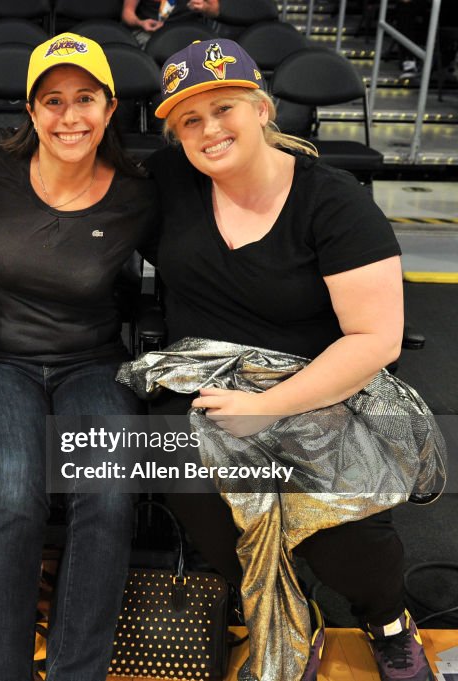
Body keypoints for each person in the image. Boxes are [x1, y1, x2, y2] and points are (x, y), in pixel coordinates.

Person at [144, 39, 430, 681]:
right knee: (190, 486)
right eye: (190, 120)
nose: (209, 129)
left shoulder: (333, 203)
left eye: (224, 108)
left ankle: (387, 620)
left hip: (316, 381)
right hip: (206, 383)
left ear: (262, 108)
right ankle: (289, 616)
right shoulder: (171, 184)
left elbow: (376, 339)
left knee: (344, 529)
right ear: (176, 135)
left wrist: (267, 406)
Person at [0, 33, 157, 681]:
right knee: (14, 489)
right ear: (31, 111)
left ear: (110, 106)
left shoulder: (139, 191)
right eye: (53, 100)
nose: (70, 116)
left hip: (93, 364)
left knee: (111, 490)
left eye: (85, 98)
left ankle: (75, 672)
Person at [122, 0, 220, 46]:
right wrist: (140, 23)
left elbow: (215, 11)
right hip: (151, 34)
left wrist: (205, 7)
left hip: (191, 31)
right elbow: (127, 13)